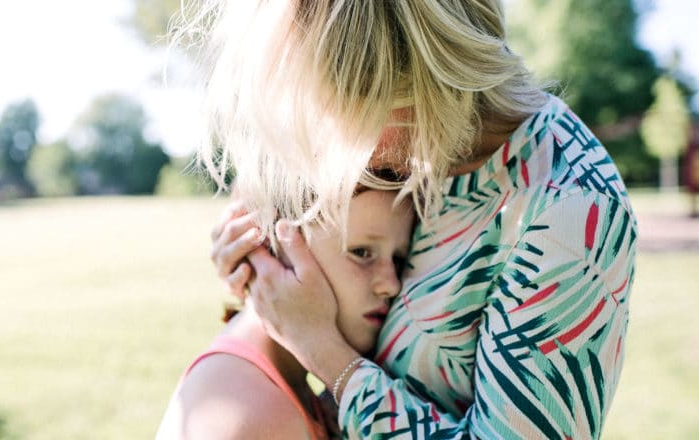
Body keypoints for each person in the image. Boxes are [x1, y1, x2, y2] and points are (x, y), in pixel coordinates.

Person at [195, 1, 637, 438]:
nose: (333, 145)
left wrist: (322, 351)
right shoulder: (405, 144)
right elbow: (302, 218)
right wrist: (257, 258)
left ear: (427, 76)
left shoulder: (569, 208)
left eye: (339, 113)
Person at [156, 189, 416, 439]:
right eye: (361, 253)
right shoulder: (252, 411)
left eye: (397, 259)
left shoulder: (285, 389)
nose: (391, 284)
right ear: (271, 246)